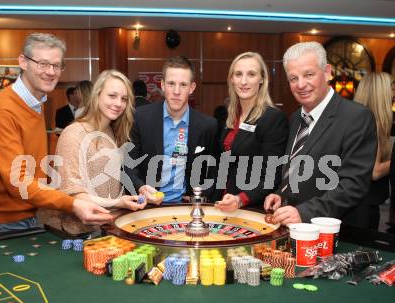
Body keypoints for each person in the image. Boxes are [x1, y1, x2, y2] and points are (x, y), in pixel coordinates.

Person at [0, 32, 113, 236]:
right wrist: (72, 204)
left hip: (28, 213)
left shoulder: (36, 103)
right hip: (0, 221)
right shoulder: (3, 110)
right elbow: (17, 181)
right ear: (23, 62)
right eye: (42, 64)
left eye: (56, 65)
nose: (50, 72)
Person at [264, 41, 377, 226]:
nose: (301, 84)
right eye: (293, 78)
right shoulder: (294, 119)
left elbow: (353, 185)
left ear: (327, 72)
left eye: (309, 74)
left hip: (338, 234)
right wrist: (280, 194)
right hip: (296, 230)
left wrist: (304, 212)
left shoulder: (357, 117)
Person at [55, 70, 146, 234]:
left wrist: (142, 189)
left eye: (124, 99)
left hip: (112, 227)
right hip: (81, 233)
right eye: (112, 96)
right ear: (97, 96)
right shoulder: (73, 134)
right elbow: (74, 196)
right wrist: (118, 202)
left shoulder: (113, 132)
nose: (118, 103)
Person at [127, 56, 217, 204]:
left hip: (187, 208)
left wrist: (201, 193)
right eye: (171, 84)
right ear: (162, 85)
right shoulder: (140, 118)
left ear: (192, 88)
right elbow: (127, 165)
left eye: (183, 84)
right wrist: (140, 187)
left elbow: (214, 169)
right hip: (147, 206)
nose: (176, 91)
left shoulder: (207, 125)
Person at [213, 52, 288, 212]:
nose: (244, 81)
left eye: (251, 74)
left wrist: (240, 199)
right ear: (231, 79)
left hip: (251, 207)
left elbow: (272, 176)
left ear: (262, 79)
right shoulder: (231, 115)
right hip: (224, 203)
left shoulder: (272, 118)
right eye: (238, 74)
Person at [352, 72, 393, 229]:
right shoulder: (371, 124)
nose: (393, 93)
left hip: (357, 202)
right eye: (391, 88)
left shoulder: (356, 121)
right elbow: (375, 172)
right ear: (380, 94)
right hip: (364, 206)